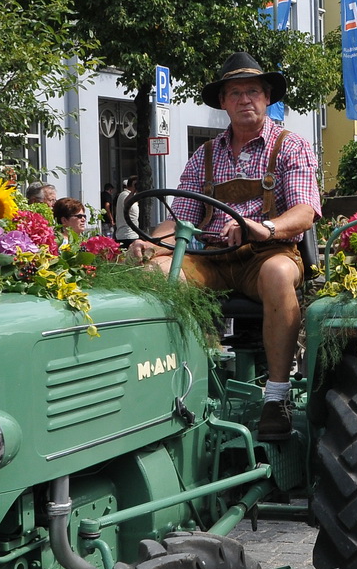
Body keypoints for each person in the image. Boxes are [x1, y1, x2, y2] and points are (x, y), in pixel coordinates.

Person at [131, 53, 321, 441]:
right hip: (212, 259)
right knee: (156, 273)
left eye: (253, 91)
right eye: (235, 92)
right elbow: (180, 219)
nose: (244, 99)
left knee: (279, 273)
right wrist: (148, 242)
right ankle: (184, 381)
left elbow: (305, 211)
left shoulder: (289, 146)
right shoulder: (204, 156)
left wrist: (264, 227)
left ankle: (277, 396)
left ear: (267, 98)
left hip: (268, 253)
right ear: (223, 102)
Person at [113, 176, 140, 245]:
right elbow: (127, 203)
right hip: (127, 235)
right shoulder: (124, 194)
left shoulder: (132, 195)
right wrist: (133, 191)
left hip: (131, 234)